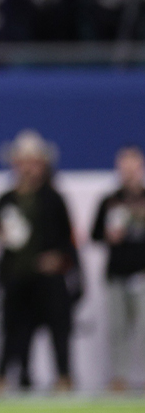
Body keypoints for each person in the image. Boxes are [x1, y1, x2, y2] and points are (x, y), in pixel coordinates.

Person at [0, 129, 78, 392]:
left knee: (57, 330)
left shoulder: (54, 198)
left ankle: (63, 378)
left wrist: (58, 260)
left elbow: (68, 239)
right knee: (13, 331)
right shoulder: (7, 198)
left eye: (33, 161)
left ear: (42, 165)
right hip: (17, 276)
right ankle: (6, 378)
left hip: (48, 279)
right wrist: (1, 233)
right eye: (22, 162)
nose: (28, 167)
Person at [90, 145, 145, 392]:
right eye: (124, 166)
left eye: (133, 166)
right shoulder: (110, 201)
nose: (129, 171)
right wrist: (108, 235)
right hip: (117, 273)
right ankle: (120, 378)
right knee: (118, 329)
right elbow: (94, 234)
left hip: (142, 273)